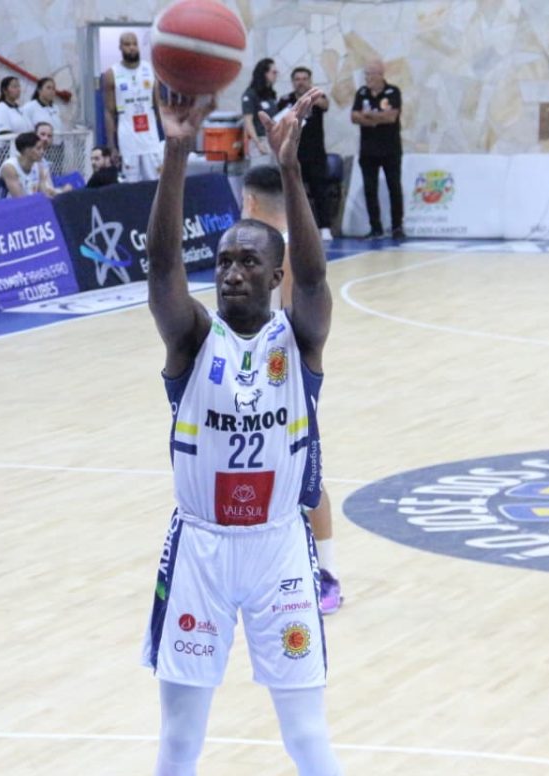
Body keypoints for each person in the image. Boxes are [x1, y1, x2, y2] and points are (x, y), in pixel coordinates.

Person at [142, 87, 344, 776]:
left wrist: (290, 169)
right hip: (200, 548)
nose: (231, 271)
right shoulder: (193, 339)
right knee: (180, 737)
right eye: (224, 260)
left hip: (278, 548)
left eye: (249, 262)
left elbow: (316, 277)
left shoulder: (300, 337)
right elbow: (162, 269)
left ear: (275, 275)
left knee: (306, 734)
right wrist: (177, 151)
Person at [241, 165, 343, 613]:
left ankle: (327, 573)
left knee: (307, 477)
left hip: (284, 381)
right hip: (254, 379)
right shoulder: (259, 247)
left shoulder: (283, 252)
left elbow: (294, 328)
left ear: (250, 202)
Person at [351, 60, 403, 240]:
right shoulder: (362, 93)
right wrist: (376, 118)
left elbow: (391, 117)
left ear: (380, 74)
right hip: (368, 150)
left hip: (390, 149)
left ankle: (397, 226)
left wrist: (370, 116)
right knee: (370, 189)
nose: (367, 78)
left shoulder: (392, 92)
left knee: (394, 187)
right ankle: (375, 227)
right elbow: (354, 117)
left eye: (370, 74)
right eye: (365, 74)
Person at [279, 67, 332, 241]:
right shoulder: (285, 100)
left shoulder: (317, 97)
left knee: (320, 191)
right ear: (293, 82)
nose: (301, 82)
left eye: (304, 79)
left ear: (309, 81)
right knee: (293, 193)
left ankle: (325, 227)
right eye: (297, 79)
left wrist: (308, 99)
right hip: (294, 154)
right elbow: (279, 121)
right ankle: (293, 228)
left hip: (316, 154)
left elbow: (325, 105)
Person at [102, 31, 162, 183]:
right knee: (130, 184)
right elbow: (109, 112)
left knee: (154, 182)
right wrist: (111, 145)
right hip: (127, 138)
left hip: (150, 138)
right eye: (127, 44)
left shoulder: (150, 69)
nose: (132, 47)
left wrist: (169, 133)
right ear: (120, 47)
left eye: (135, 44)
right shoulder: (111, 74)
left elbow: (159, 105)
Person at [240, 57, 278, 165]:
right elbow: (248, 122)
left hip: (274, 139)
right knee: (261, 171)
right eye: (273, 72)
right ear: (264, 74)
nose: (276, 75)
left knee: (274, 172)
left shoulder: (270, 94)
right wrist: (257, 143)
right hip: (260, 140)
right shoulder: (251, 94)